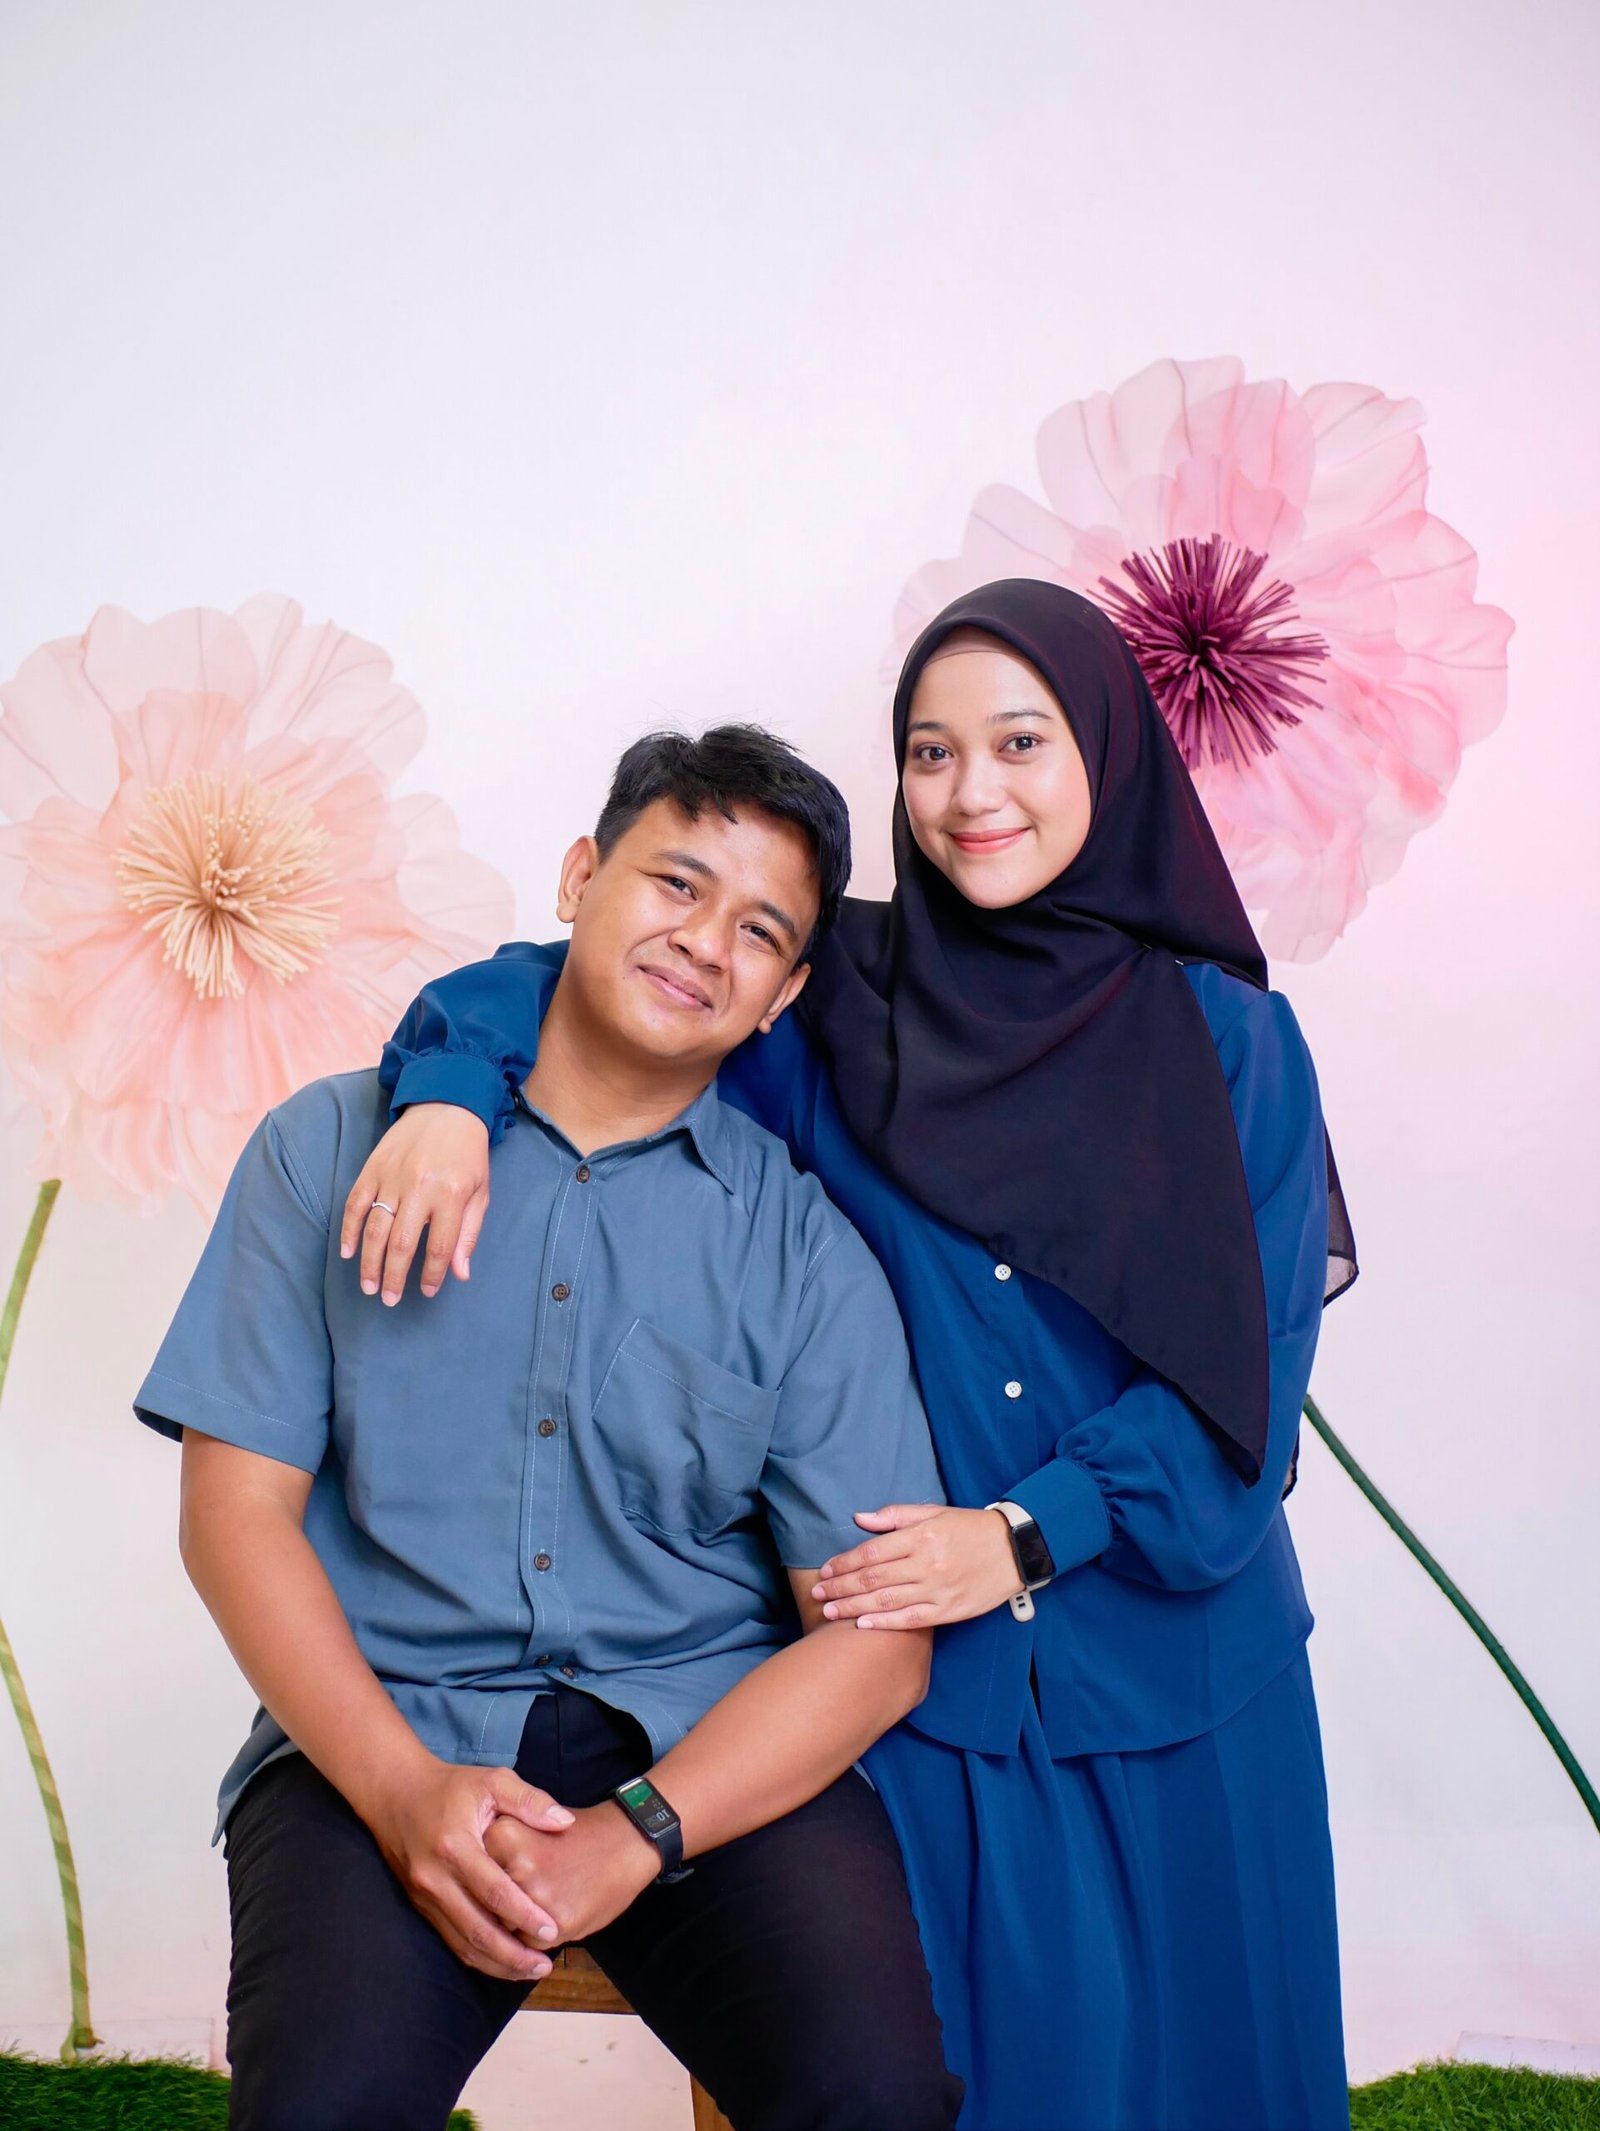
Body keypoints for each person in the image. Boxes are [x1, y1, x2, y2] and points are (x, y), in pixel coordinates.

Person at [351, 581, 1358, 2131]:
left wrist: (1019, 1534)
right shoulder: (836, 1005)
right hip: (922, 1688)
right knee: (949, 2084)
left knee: (1204, 2083)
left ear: (1108, 754)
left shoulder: (1233, 1044)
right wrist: (444, 1089)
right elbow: (587, 985)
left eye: (1019, 742)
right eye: (930, 753)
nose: (970, 793)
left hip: (1187, 1678)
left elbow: (1254, 1390)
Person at [134, 725, 965, 2131]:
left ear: (784, 997)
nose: (704, 942)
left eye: (760, 930)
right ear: (581, 878)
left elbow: (875, 1642)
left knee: (875, 2099)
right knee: (323, 2109)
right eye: (676, 883)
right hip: (389, 1719)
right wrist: (401, 1792)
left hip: (700, 1745)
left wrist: (640, 1832)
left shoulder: (803, 1248)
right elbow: (234, 1516)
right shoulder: (328, 1148)